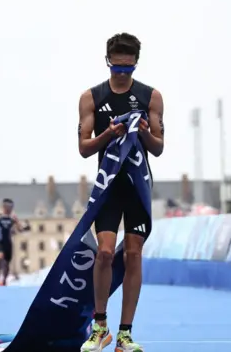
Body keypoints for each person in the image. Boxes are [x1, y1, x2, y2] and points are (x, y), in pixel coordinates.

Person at [77, 33, 165, 352]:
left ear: (135, 65)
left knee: (133, 254)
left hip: (138, 185)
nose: (122, 75)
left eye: (128, 70)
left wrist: (144, 133)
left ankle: (125, 333)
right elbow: (84, 149)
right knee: (103, 253)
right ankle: (100, 327)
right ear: (108, 62)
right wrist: (107, 135)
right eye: (117, 69)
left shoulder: (151, 97)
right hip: (109, 186)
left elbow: (158, 147)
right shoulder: (91, 97)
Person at [0, 198, 21, 286]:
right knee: (1, 257)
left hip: (8, 241)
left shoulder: (12, 218)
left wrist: (16, 230)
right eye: (9, 207)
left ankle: (4, 280)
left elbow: (19, 228)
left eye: (12, 207)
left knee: (7, 262)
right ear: (4, 207)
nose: (10, 209)